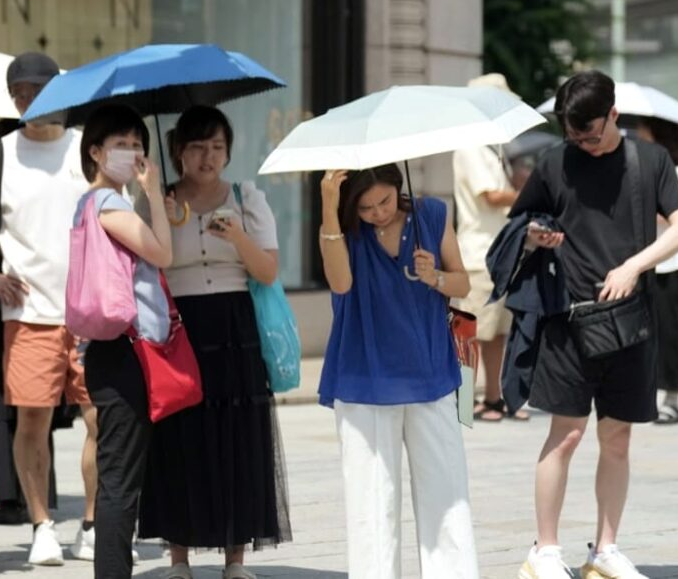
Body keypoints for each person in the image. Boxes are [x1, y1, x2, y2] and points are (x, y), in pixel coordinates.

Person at [509, 71, 678, 578]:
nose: (584, 145)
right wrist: (536, 237)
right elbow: (519, 226)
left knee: (617, 439)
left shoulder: (649, 160)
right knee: (565, 436)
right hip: (568, 321)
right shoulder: (553, 160)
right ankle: (544, 551)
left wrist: (634, 265)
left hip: (630, 321)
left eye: (591, 134)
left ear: (614, 115)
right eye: (574, 137)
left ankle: (604, 551)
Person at [135, 106, 291, 579]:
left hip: (233, 326)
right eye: (197, 147)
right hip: (179, 326)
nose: (208, 157)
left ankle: (235, 558)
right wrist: (156, 214)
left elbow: (268, 270)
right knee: (180, 439)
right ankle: (178, 556)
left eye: (217, 147)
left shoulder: (247, 197)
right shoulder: (155, 200)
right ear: (178, 150)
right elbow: (143, 268)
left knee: (238, 438)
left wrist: (239, 236)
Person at [0, 52, 100, 565]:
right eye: (18, 94)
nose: (27, 101)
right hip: (27, 314)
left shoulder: (88, 149)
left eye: (36, 90)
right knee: (32, 423)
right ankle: (41, 525)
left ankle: (91, 523)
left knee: (101, 420)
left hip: (91, 314)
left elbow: (122, 214)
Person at [317, 164, 479, 579]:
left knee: (447, 497)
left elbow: (463, 284)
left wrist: (436, 276)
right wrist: (330, 207)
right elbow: (339, 284)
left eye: (385, 201)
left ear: (398, 187)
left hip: (431, 372)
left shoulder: (431, 215)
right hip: (363, 376)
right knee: (371, 503)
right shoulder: (346, 229)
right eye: (366, 206)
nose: (378, 212)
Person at [72, 103, 173, 579]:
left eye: (138, 143)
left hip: (108, 349)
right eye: (121, 144)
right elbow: (163, 253)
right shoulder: (108, 203)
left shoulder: (86, 205)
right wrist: (151, 191)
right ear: (95, 151)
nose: (132, 152)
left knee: (119, 475)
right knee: (119, 482)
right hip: (126, 351)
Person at [452, 73, 528, 422]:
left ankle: (493, 399)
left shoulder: (491, 148)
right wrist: (528, 192)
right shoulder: (470, 144)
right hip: (478, 254)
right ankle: (463, 402)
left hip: (497, 252)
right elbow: (492, 196)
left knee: (496, 333)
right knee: (470, 333)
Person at [634, 118, 678, 424]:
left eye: (644, 133)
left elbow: (674, 217)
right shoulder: (642, 169)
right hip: (643, 263)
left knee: (671, 331)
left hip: (671, 264)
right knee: (646, 332)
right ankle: (650, 392)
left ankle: (671, 394)